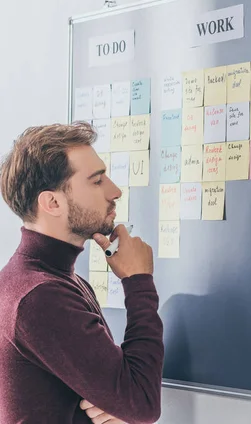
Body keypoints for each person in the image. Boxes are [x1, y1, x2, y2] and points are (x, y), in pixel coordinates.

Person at [0, 122, 164, 424]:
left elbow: (126, 397)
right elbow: (142, 402)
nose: (115, 191)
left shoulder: (47, 281)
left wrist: (119, 401)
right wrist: (138, 281)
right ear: (52, 202)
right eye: (97, 181)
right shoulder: (41, 296)